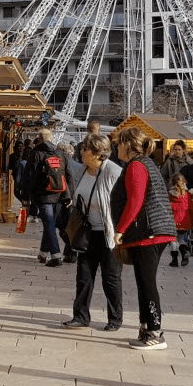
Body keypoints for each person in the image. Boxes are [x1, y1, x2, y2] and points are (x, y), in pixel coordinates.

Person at [113, 128, 176, 349]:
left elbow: (135, 201)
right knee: (143, 281)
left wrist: (120, 229)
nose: (117, 147)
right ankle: (145, 328)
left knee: (147, 282)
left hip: (149, 232)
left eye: (119, 143)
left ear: (128, 145)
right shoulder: (144, 164)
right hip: (153, 231)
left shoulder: (137, 166)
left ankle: (155, 333)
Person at [62, 128, 124, 332]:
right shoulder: (81, 171)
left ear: (98, 152)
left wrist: (121, 230)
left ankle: (115, 318)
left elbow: (124, 201)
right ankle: (80, 316)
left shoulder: (113, 171)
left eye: (85, 149)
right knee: (84, 276)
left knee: (111, 278)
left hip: (109, 234)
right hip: (87, 233)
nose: (81, 152)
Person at [25, 127, 69, 266]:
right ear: (52, 138)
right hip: (59, 193)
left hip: (43, 195)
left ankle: (56, 256)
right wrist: (68, 195)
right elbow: (67, 174)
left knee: (49, 224)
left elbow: (29, 177)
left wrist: (26, 196)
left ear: (39, 139)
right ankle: (43, 253)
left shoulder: (36, 153)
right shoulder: (60, 153)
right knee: (50, 224)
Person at [167, 170, 193, 267]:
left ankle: (174, 260)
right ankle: (184, 253)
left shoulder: (170, 194)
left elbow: (167, 207)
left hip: (173, 220)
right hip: (184, 220)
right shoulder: (187, 194)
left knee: (173, 240)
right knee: (181, 239)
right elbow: (191, 207)